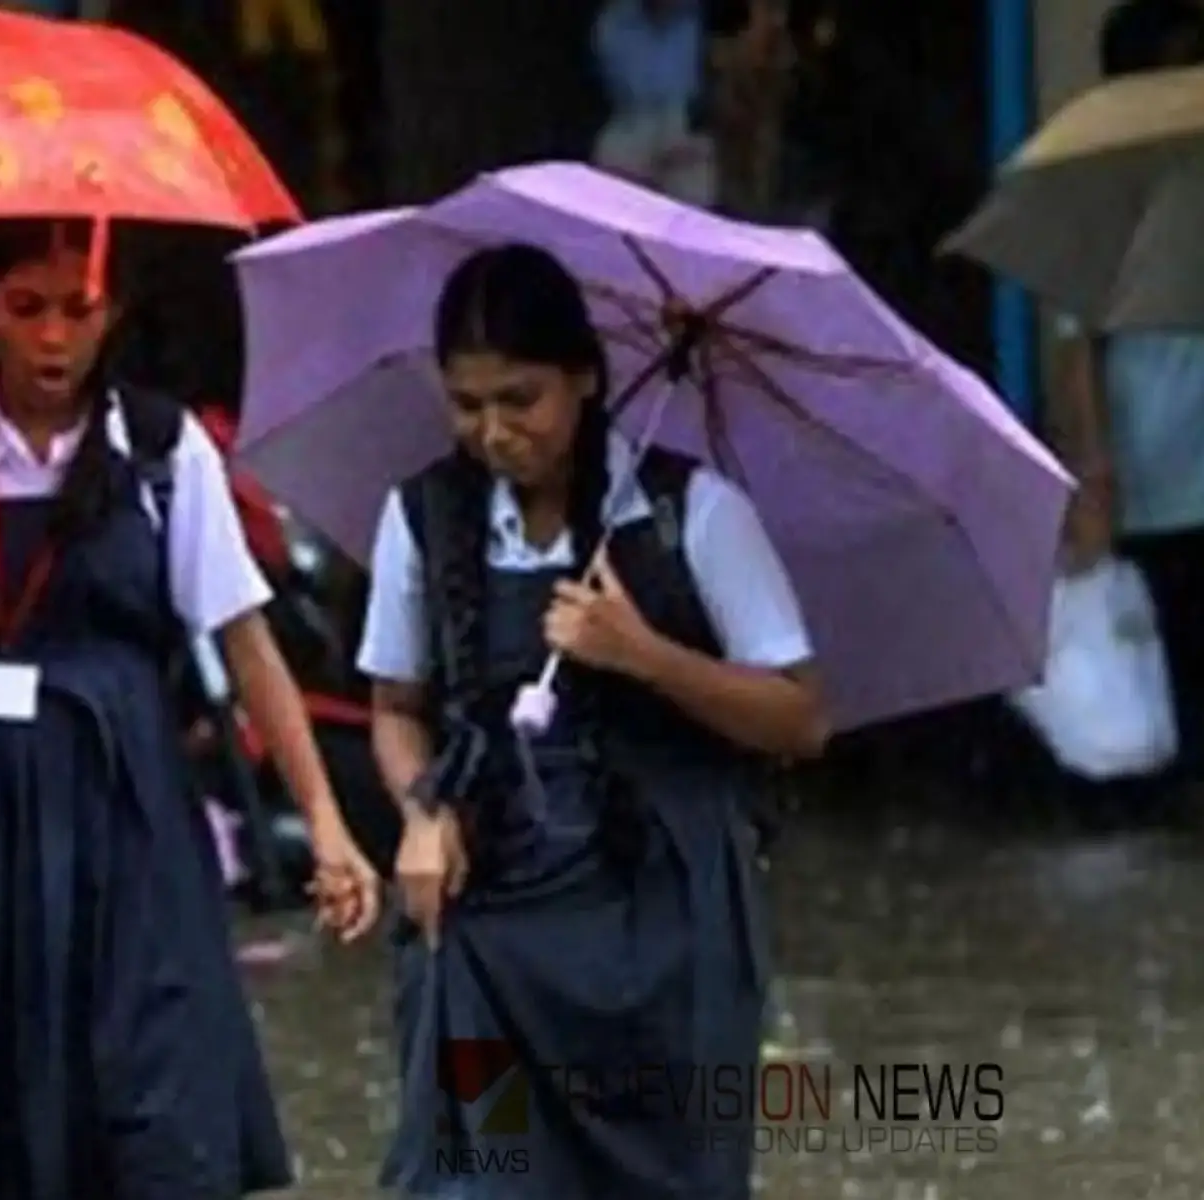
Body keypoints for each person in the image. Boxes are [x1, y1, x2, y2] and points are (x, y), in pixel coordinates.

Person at [0, 217, 382, 1198]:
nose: (53, 338)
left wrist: (325, 823)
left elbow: (245, 642)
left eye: (79, 310)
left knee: (146, 1090)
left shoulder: (159, 448)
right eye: (27, 309)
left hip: (119, 810)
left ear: (113, 314)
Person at [361, 243, 826, 1197]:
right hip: (488, 931)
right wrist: (420, 812)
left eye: (519, 400)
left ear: (583, 380)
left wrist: (645, 655)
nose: (492, 431)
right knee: (484, 1175)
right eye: (466, 404)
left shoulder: (692, 513)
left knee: (667, 1176)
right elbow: (396, 706)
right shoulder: (421, 517)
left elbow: (799, 717)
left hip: (664, 928)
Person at [1049, 0, 1204, 835]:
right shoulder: (1102, 200)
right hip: (1156, 479)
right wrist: (1094, 475)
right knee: (1180, 683)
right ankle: (1200, 830)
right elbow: (1080, 352)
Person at [592, 0, 719, 208]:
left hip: (680, 122)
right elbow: (632, 88)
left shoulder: (691, 18)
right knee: (613, 162)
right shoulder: (615, 22)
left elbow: (691, 88)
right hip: (631, 121)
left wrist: (680, 141)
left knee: (696, 182)